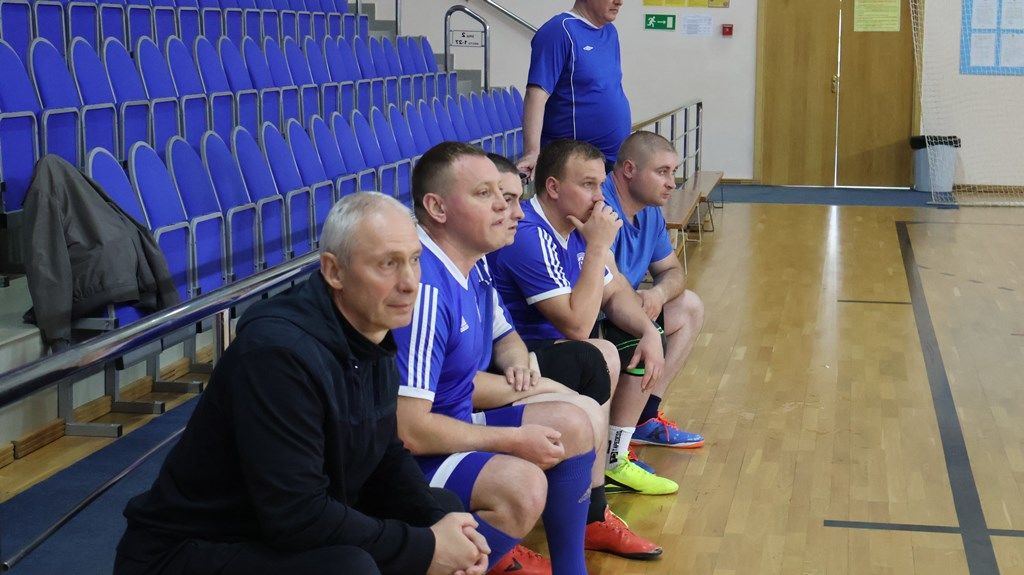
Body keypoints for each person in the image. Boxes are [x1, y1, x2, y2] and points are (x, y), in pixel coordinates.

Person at [114, 193, 489, 575]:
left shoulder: (370, 333)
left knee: (441, 510)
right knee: (349, 568)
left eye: (414, 259)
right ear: (334, 271)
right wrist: (426, 547)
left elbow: (384, 455)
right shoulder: (277, 356)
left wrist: (437, 526)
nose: (410, 283)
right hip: (187, 551)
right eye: (387, 264)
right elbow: (298, 515)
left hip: (266, 534)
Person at [392, 143, 656, 575]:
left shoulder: (472, 264)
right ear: (437, 208)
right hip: (409, 459)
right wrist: (512, 439)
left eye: (505, 195)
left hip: (455, 418)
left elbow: (499, 340)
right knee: (523, 485)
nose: (505, 207)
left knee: (576, 417)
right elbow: (409, 430)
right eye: (485, 194)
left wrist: (521, 363)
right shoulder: (427, 290)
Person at [479, 152, 663, 561]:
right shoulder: (530, 234)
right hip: (510, 363)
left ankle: (604, 480)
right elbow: (577, 327)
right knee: (597, 354)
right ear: (553, 187)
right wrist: (598, 246)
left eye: (601, 185)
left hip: (524, 355)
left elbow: (616, 292)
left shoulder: (578, 225)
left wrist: (651, 332)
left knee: (631, 337)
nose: (600, 198)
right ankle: (591, 509)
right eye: (588, 185)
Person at [602, 131, 706, 449]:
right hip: (592, 317)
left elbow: (673, 271)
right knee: (647, 333)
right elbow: (607, 287)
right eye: (662, 172)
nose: (672, 183)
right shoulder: (600, 208)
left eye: (673, 172)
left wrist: (657, 294)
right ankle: (615, 444)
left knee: (689, 306)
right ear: (629, 170)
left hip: (625, 309)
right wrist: (643, 317)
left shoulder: (649, 212)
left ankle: (644, 419)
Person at [518, 0, 630, 179]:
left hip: (611, 159)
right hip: (573, 162)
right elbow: (536, 94)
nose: (620, 2)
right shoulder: (559, 30)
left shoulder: (610, 31)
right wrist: (532, 151)